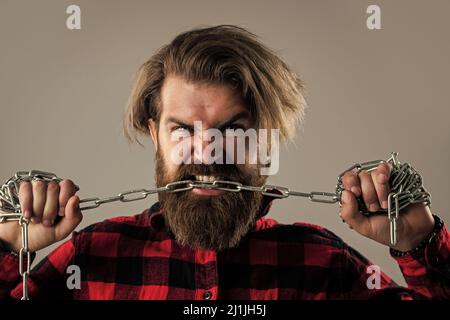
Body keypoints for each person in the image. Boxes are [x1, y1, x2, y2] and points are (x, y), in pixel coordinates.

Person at [0, 25, 448, 300]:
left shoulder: (323, 266)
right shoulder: (91, 259)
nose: (207, 155)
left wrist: (417, 241)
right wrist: (7, 247)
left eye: (232, 131)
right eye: (182, 131)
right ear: (154, 134)